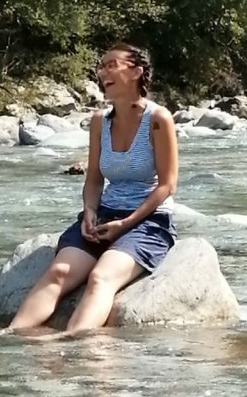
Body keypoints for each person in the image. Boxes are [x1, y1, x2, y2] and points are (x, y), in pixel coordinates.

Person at [9, 43, 179, 334]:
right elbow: (95, 179)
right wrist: (90, 210)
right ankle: (10, 337)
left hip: (148, 221)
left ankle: (74, 343)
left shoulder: (158, 119)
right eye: (101, 66)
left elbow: (167, 185)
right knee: (59, 272)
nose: (102, 72)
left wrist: (125, 223)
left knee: (100, 278)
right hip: (104, 214)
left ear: (136, 72)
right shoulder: (100, 121)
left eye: (112, 65)